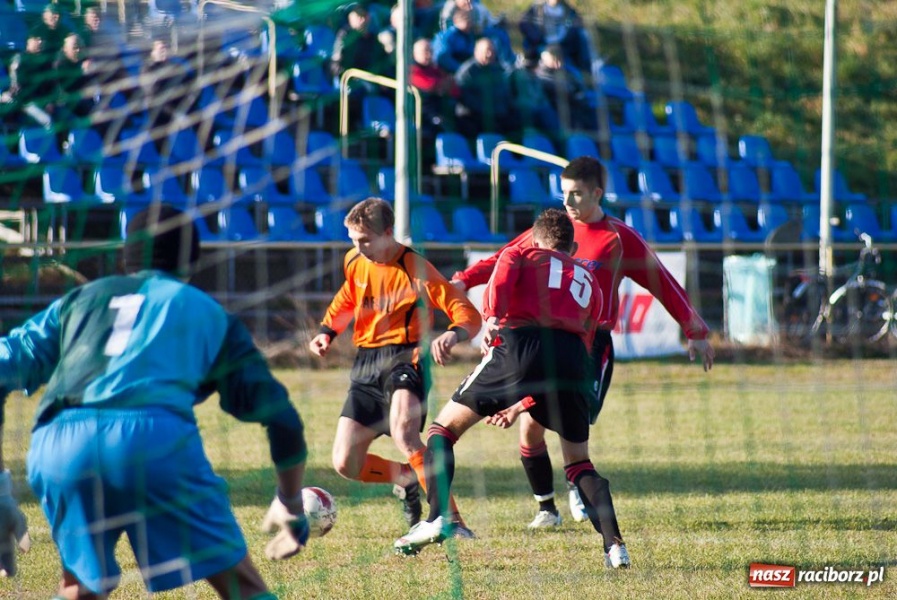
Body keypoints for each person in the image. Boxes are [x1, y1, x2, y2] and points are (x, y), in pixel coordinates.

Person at [0, 205, 310, 599]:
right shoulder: (206, 311)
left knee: (80, 587)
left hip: (58, 444)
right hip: (152, 440)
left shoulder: (80, 299)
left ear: (126, 256)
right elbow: (282, 419)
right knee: (242, 586)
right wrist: (290, 502)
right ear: (193, 259)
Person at [451, 156, 715, 530]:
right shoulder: (549, 233)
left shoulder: (619, 238)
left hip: (592, 347)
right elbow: (501, 259)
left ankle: (577, 482)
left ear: (597, 193)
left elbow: (663, 282)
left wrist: (695, 331)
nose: (568, 203)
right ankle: (547, 507)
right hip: (542, 340)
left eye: (576, 194)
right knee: (530, 427)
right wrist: (464, 280)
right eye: (564, 195)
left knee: (565, 424)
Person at [394, 208, 631, 568]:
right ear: (573, 245)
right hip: (571, 361)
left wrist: (490, 317)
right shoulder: (589, 277)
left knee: (443, 429)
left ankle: (439, 516)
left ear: (535, 239)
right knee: (580, 463)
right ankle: (615, 547)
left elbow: (502, 276)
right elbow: (591, 331)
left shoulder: (521, 252)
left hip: (521, 344)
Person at [309, 198, 481, 534]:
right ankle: (405, 477)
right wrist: (327, 332)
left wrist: (450, 335)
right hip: (366, 364)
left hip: (407, 357)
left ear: (389, 233)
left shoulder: (416, 269)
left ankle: (451, 519)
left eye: (365, 240)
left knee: (405, 433)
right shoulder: (355, 262)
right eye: (353, 240)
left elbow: (468, 314)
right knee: (345, 462)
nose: (358, 248)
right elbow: (348, 296)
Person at [519, 0, 593, 73]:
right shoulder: (536, 9)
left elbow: (576, 34)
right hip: (539, 53)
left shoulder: (570, 12)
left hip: (563, 56)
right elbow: (524, 24)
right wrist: (542, 46)